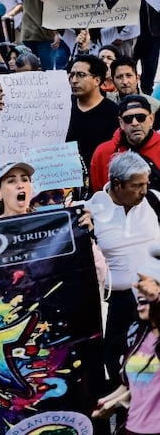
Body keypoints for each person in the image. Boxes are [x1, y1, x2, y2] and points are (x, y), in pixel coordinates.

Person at [86, 152, 160, 393]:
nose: (144, 191)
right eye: (137, 186)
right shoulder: (91, 211)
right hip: (116, 302)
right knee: (116, 359)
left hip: (154, 297)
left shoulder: (155, 200)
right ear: (117, 184)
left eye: (146, 184)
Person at [92, 247, 160, 431]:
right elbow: (136, 385)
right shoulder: (138, 334)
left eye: (146, 301)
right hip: (134, 427)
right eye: (138, 300)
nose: (139, 306)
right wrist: (110, 402)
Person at [66, 55, 121, 168]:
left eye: (81, 75)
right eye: (71, 75)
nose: (74, 80)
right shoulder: (63, 107)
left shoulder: (113, 112)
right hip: (65, 173)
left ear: (97, 80)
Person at [22, 0, 65, 71]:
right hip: (45, 34)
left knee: (28, 70)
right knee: (47, 72)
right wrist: (56, 33)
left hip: (27, 33)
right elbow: (52, 11)